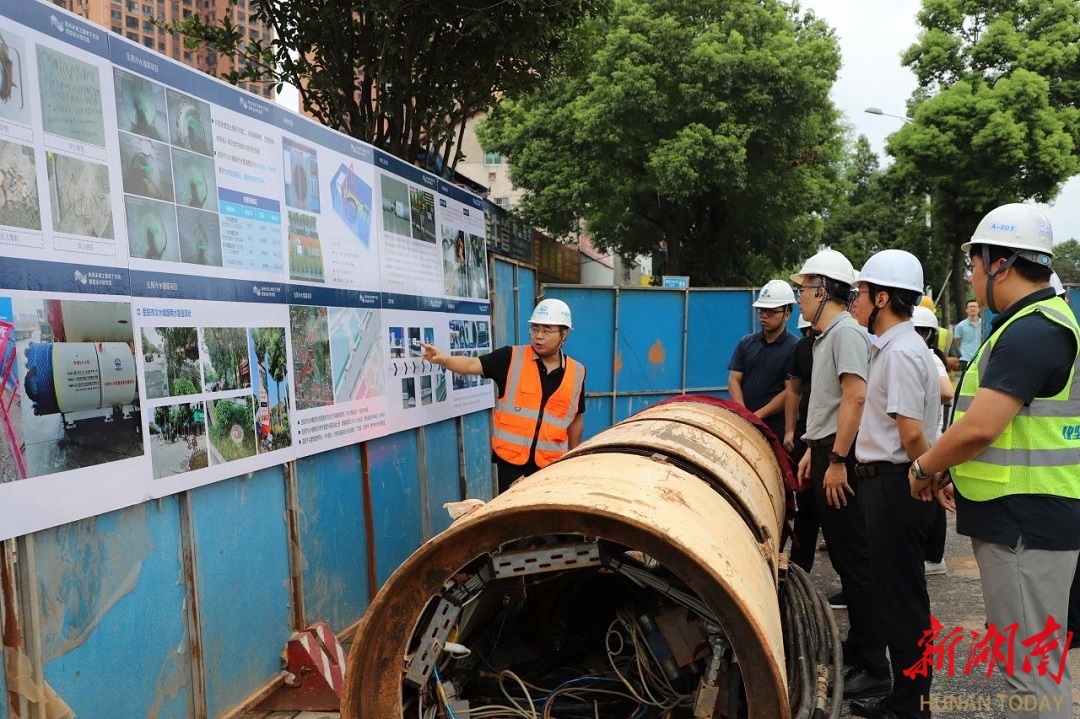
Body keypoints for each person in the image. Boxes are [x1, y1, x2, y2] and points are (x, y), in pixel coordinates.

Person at [911, 204, 1079, 719]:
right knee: (1040, 664)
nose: (972, 274)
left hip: (1026, 526)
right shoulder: (1034, 325)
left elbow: (982, 426)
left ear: (1001, 263)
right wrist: (953, 470)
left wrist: (923, 467)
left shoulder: (1034, 331)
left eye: (975, 263)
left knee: (1027, 669)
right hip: (1029, 520)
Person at [791, 249, 889, 700]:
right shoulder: (825, 335)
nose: (799, 298)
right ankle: (858, 646)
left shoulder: (845, 333)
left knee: (855, 561)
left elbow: (854, 399)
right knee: (849, 563)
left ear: (822, 290)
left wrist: (835, 459)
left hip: (840, 457)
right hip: (827, 449)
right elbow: (829, 402)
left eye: (803, 289)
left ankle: (874, 666)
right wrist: (814, 447)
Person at [848, 250, 940, 719]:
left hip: (896, 485)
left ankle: (912, 707)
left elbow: (911, 434)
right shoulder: (893, 348)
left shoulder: (902, 352)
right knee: (895, 597)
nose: (855, 302)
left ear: (882, 297)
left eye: (859, 293)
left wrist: (926, 477)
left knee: (903, 604)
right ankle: (904, 698)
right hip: (887, 483)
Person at [421, 298, 585, 494]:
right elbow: (473, 364)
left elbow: (575, 419)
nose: (538, 336)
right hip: (511, 464)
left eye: (547, 330)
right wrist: (444, 359)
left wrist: (573, 457)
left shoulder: (577, 372)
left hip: (551, 466)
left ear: (563, 334)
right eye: (534, 329)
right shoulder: (510, 358)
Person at [728, 279, 800, 441]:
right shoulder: (746, 343)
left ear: (787, 314)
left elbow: (791, 391)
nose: (764, 316)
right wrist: (743, 413)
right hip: (744, 424)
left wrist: (757, 417)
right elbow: (734, 380)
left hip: (774, 430)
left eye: (771, 311)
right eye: (761, 310)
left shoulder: (794, 347)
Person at [912, 305, 954, 578]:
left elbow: (947, 392)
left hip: (931, 440)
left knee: (931, 500)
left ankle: (934, 557)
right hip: (926, 439)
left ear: (926, 334)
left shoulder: (930, 358)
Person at [783, 316, 818, 572]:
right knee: (806, 505)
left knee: (836, 509)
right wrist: (790, 430)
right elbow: (794, 389)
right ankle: (799, 568)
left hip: (834, 440)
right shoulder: (803, 349)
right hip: (806, 433)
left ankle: (855, 586)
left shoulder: (849, 341)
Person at [952, 299, 983, 370]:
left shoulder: (983, 324)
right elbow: (957, 342)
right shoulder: (960, 326)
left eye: (975, 306)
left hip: (980, 357)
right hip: (965, 358)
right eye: (970, 307)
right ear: (966, 310)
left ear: (979, 309)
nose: (973, 308)